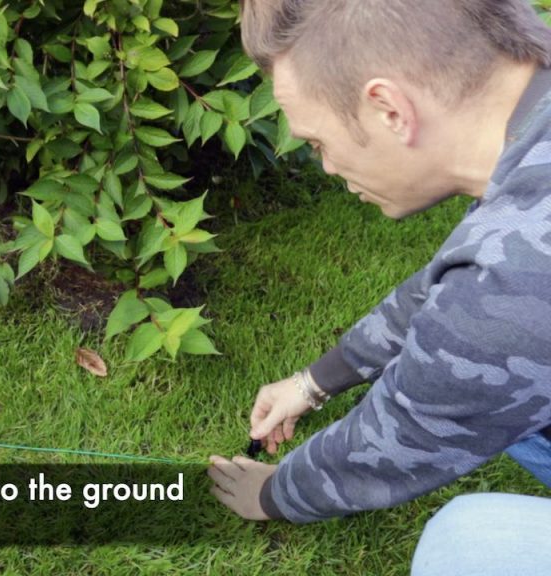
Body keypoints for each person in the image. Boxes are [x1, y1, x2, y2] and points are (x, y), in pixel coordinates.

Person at [206, 0, 551, 573]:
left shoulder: (518, 271)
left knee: (467, 544)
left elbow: (395, 442)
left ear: (389, 108)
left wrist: (271, 494)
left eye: (317, 143)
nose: (328, 168)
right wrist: (314, 382)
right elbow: (449, 285)